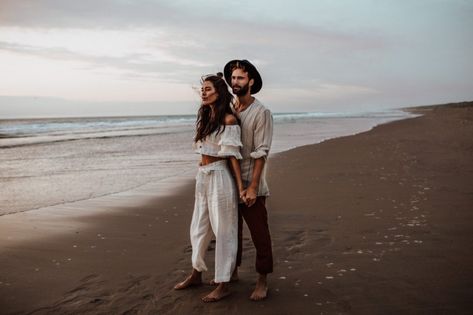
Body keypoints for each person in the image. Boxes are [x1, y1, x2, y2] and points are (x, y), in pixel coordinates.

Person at [174, 73, 244, 302]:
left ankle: (223, 283)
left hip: (220, 177)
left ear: (219, 92)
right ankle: (196, 273)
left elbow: (233, 156)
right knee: (198, 227)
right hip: (202, 176)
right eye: (202, 89)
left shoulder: (228, 120)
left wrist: (241, 188)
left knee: (224, 230)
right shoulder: (207, 117)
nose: (203, 92)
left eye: (208, 89)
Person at [223, 59, 274, 301]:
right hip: (229, 180)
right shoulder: (231, 107)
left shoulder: (261, 112)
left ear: (251, 81)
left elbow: (262, 152)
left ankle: (262, 280)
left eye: (240, 78)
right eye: (233, 78)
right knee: (231, 231)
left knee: (259, 233)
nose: (235, 82)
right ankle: (232, 271)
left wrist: (253, 187)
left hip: (251, 183)